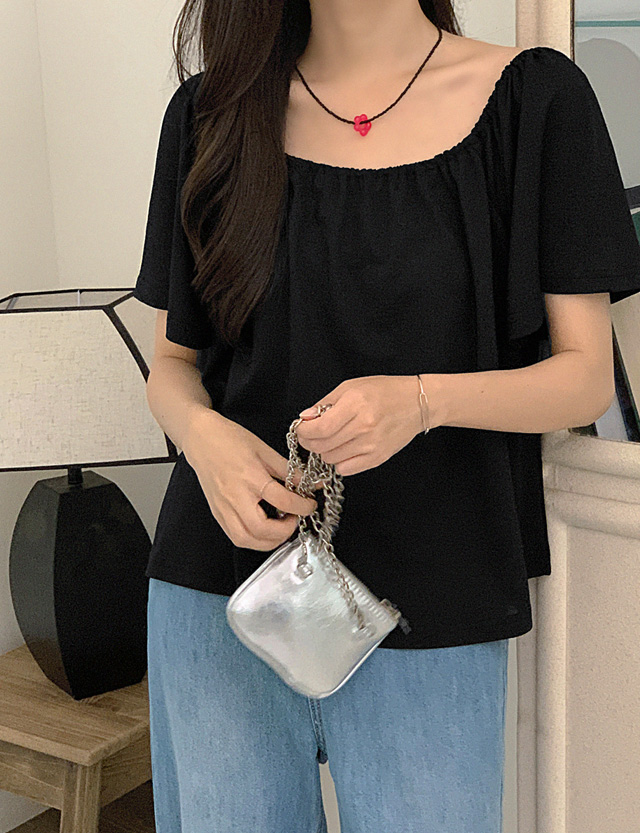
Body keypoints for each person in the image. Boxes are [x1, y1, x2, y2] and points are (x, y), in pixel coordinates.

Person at [132, 2, 640, 831]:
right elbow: (172, 366)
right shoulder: (209, 114)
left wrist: (421, 401)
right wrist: (205, 440)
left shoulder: (536, 102)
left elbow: (585, 378)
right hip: (221, 587)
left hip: (435, 592)